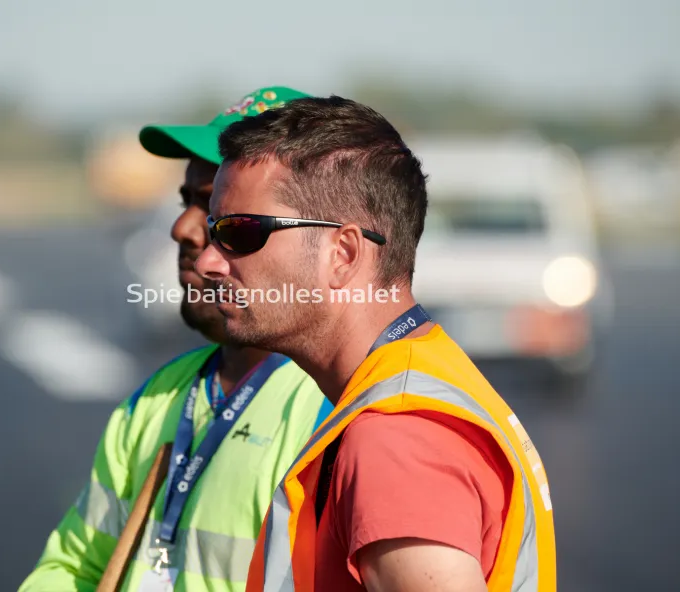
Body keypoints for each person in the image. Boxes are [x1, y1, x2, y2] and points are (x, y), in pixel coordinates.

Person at [195, 95, 557, 591]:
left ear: (343, 252)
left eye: (238, 232)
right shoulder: (419, 377)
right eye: (213, 230)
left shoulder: (397, 439)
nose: (208, 261)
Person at [17, 87, 332, 592]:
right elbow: (72, 569)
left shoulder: (342, 415)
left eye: (216, 210)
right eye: (186, 202)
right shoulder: (156, 399)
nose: (183, 229)